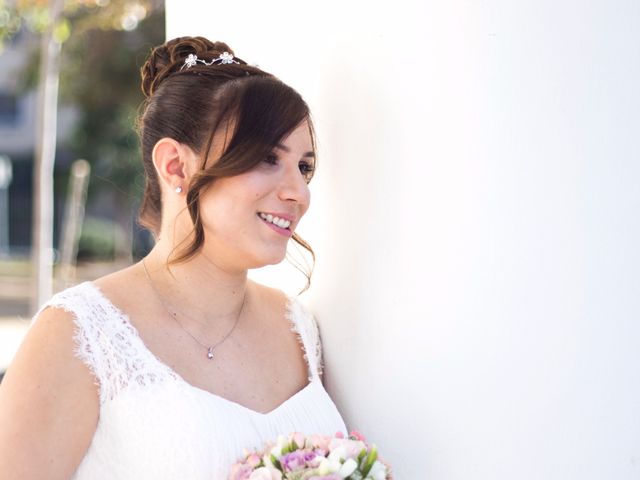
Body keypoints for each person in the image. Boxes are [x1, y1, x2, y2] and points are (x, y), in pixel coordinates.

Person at [0, 36, 347, 479]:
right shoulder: (79, 333)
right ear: (175, 166)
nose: (298, 193)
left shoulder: (299, 328)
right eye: (266, 158)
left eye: (304, 167)